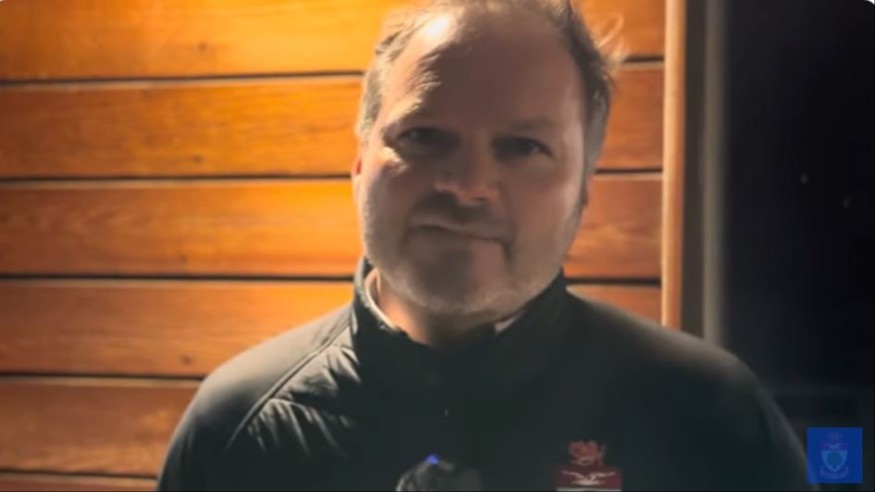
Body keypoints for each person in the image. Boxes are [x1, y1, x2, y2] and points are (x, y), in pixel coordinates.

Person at [157, 1, 810, 490]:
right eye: (424, 136)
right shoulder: (239, 429)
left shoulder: (711, 418)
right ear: (358, 164)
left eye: (522, 147)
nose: (467, 186)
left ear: (583, 188)